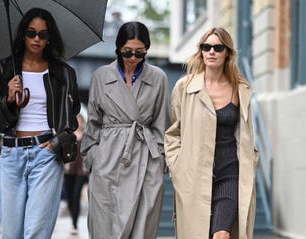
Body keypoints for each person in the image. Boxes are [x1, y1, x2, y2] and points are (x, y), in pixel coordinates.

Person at [0, 8, 80, 238]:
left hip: (46, 153)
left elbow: (72, 116)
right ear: (23, 34)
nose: (36, 39)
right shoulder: (3, 70)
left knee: (35, 233)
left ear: (49, 37)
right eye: (31, 33)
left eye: (42, 35)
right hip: (11, 156)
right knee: (12, 234)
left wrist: (56, 143)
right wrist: (7, 100)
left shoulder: (63, 73)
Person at [164, 27, 259, 239]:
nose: (211, 52)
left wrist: (251, 159)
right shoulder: (185, 87)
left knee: (222, 235)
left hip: (230, 174)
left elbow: (246, 133)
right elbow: (173, 133)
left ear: (227, 52)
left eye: (218, 47)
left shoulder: (240, 90)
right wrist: (177, 167)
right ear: (201, 51)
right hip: (194, 177)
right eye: (206, 47)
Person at [81, 21, 171, 239]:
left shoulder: (158, 77)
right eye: (127, 52)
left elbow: (163, 124)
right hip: (108, 160)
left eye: (140, 53)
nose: (132, 58)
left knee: (142, 228)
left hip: (144, 159)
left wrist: (159, 161)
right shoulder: (101, 77)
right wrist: (93, 156)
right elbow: (93, 123)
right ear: (118, 48)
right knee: (105, 228)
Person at [64, 113, 88, 235]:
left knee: (76, 195)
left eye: (80, 120)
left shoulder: (87, 136)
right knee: (69, 196)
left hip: (81, 171)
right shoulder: (69, 135)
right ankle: (73, 219)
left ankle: (74, 223)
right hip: (69, 170)